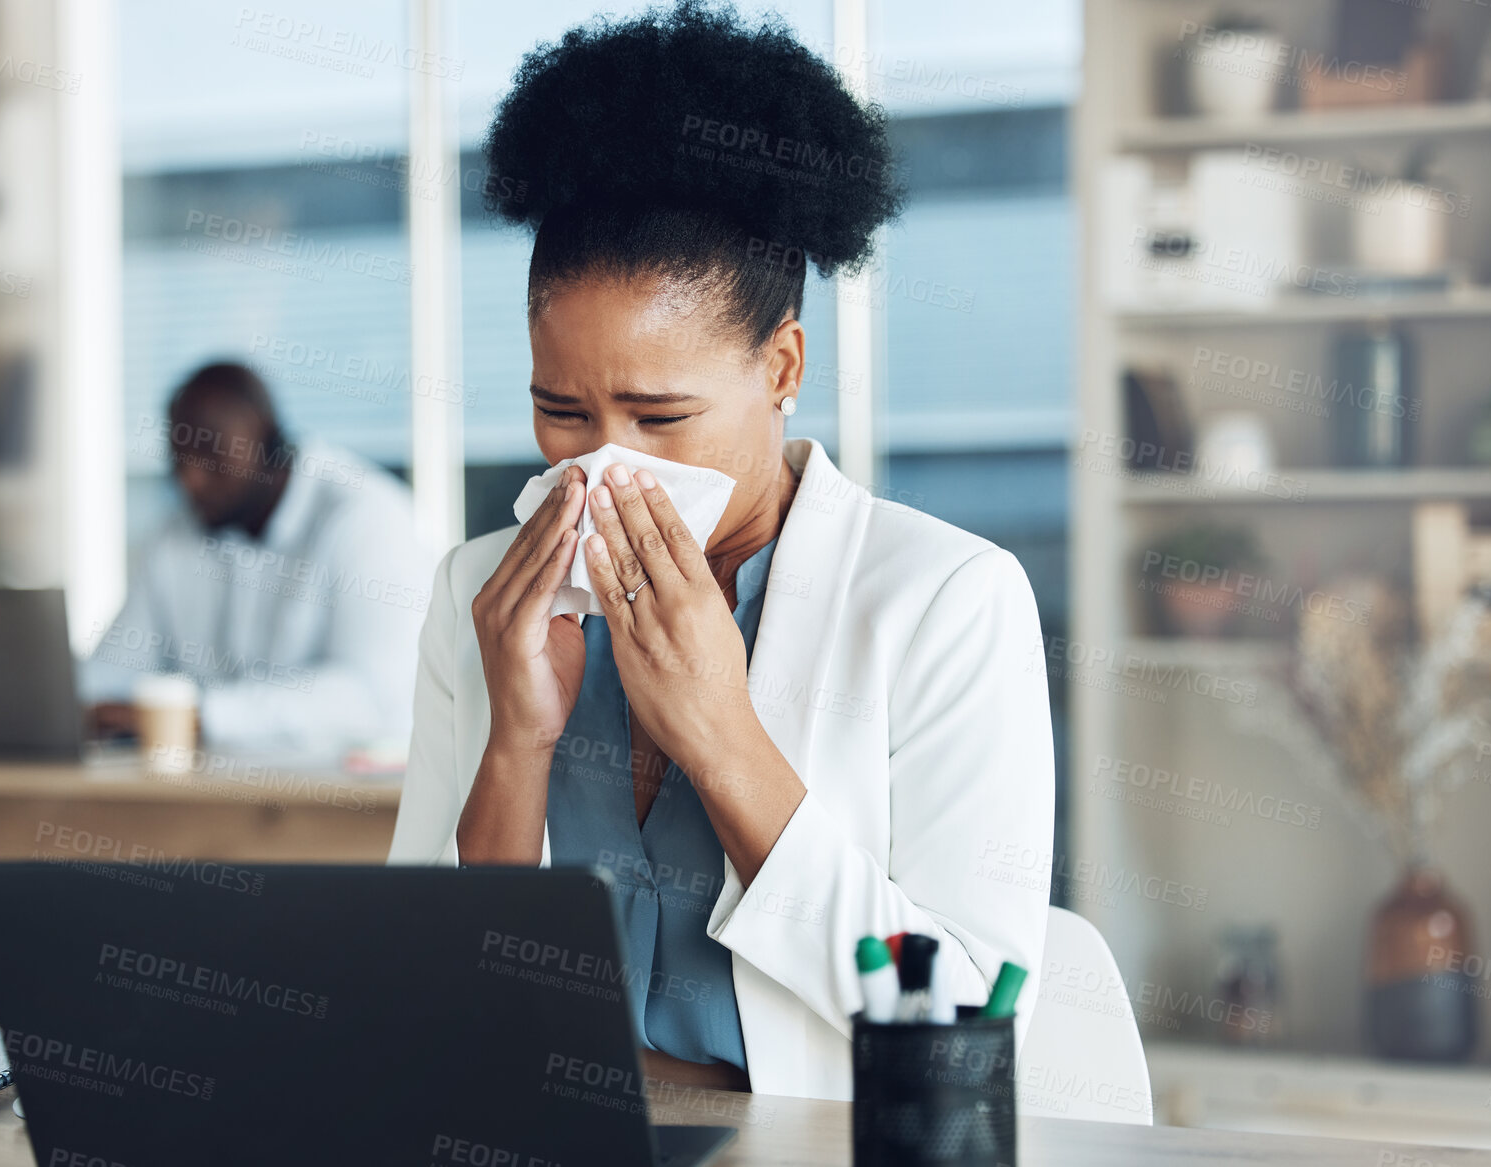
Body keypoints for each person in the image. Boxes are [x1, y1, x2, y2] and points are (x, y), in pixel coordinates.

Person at [387, 0, 1054, 1100]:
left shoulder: (944, 601)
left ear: (782, 366)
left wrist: (722, 742)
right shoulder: (485, 592)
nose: (606, 465)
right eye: (561, 411)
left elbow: (958, 1026)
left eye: (659, 418)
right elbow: (418, 996)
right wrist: (515, 743)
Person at [83, 362, 432, 755]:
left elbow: (370, 697)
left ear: (268, 442)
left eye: (211, 453)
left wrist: (202, 715)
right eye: (179, 459)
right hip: (214, 799)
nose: (191, 479)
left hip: (347, 800)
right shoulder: (178, 533)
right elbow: (112, 671)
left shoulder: (367, 518)